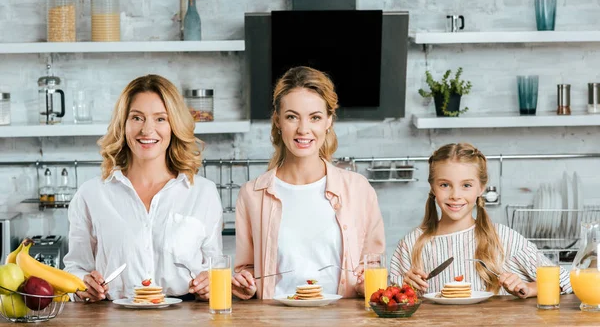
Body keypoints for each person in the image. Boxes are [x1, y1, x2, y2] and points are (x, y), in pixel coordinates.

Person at [63, 74, 223, 302]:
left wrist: (212, 283)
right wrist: (81, 284)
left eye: (160, 119)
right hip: (113, 318)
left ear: (174, 125)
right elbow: (75, 268)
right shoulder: (91, 195)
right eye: (137, 118)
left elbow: (216, 266)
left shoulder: (203, 193)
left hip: (186, 318)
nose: (147, 130)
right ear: (123, 124)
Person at [232, 66, 385, 300]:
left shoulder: (358, 189)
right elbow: (246, 270)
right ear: (278, 120)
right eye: (292, 117)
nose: (304, 129)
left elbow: (373, 265)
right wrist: (245, 284)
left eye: (315, 117)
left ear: (328, 121)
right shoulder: (252, 194)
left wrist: (368, 284)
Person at [390, 143, 572, 298]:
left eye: (466, 185)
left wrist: (527, 288)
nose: (455, 195)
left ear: (481, 188)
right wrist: (405, 289)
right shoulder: (412, 243)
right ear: (432, 187)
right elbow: (392, 300)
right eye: (445, 185)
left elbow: (562, 280)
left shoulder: (502, 238)